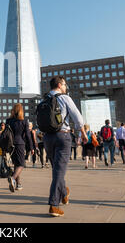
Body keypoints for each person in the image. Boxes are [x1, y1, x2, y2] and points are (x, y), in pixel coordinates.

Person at [43, 76, 88, 217]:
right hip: (63, 135)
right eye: (65, 84)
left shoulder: (44, 99)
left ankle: (64, 192)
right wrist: (83, 133)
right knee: (59, 171)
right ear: (59, 84)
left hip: (47, 137)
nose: (66, 87)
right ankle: (54, 205)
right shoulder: (65, 98)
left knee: (57, 170)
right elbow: (77, 117)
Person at [5, 104, 34, 192]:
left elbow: (6, 134)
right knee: (21, 164)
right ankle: (13, 178)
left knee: (16, 164)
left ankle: (18, 184)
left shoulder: (8, 120)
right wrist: (31, 147)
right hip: (20, 144)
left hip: (10, 145)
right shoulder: (24, 121)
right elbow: (28, 136)